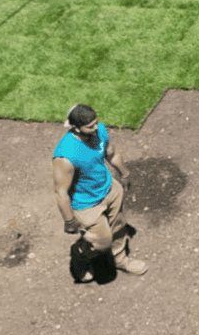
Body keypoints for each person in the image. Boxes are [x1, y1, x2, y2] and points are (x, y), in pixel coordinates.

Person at [52, 104, 147, 282]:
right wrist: (69, 220)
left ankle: (120, 260)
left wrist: (124, 174)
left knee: (119, 228)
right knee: (101, 242)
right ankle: (79, 254)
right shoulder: (65, 155)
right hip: (86, 204)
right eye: (90, 126)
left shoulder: (100, 131)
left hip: (111, 190)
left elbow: (111, 154)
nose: (96, 128)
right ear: (75, 127)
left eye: (96, 123)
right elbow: (61, 191)